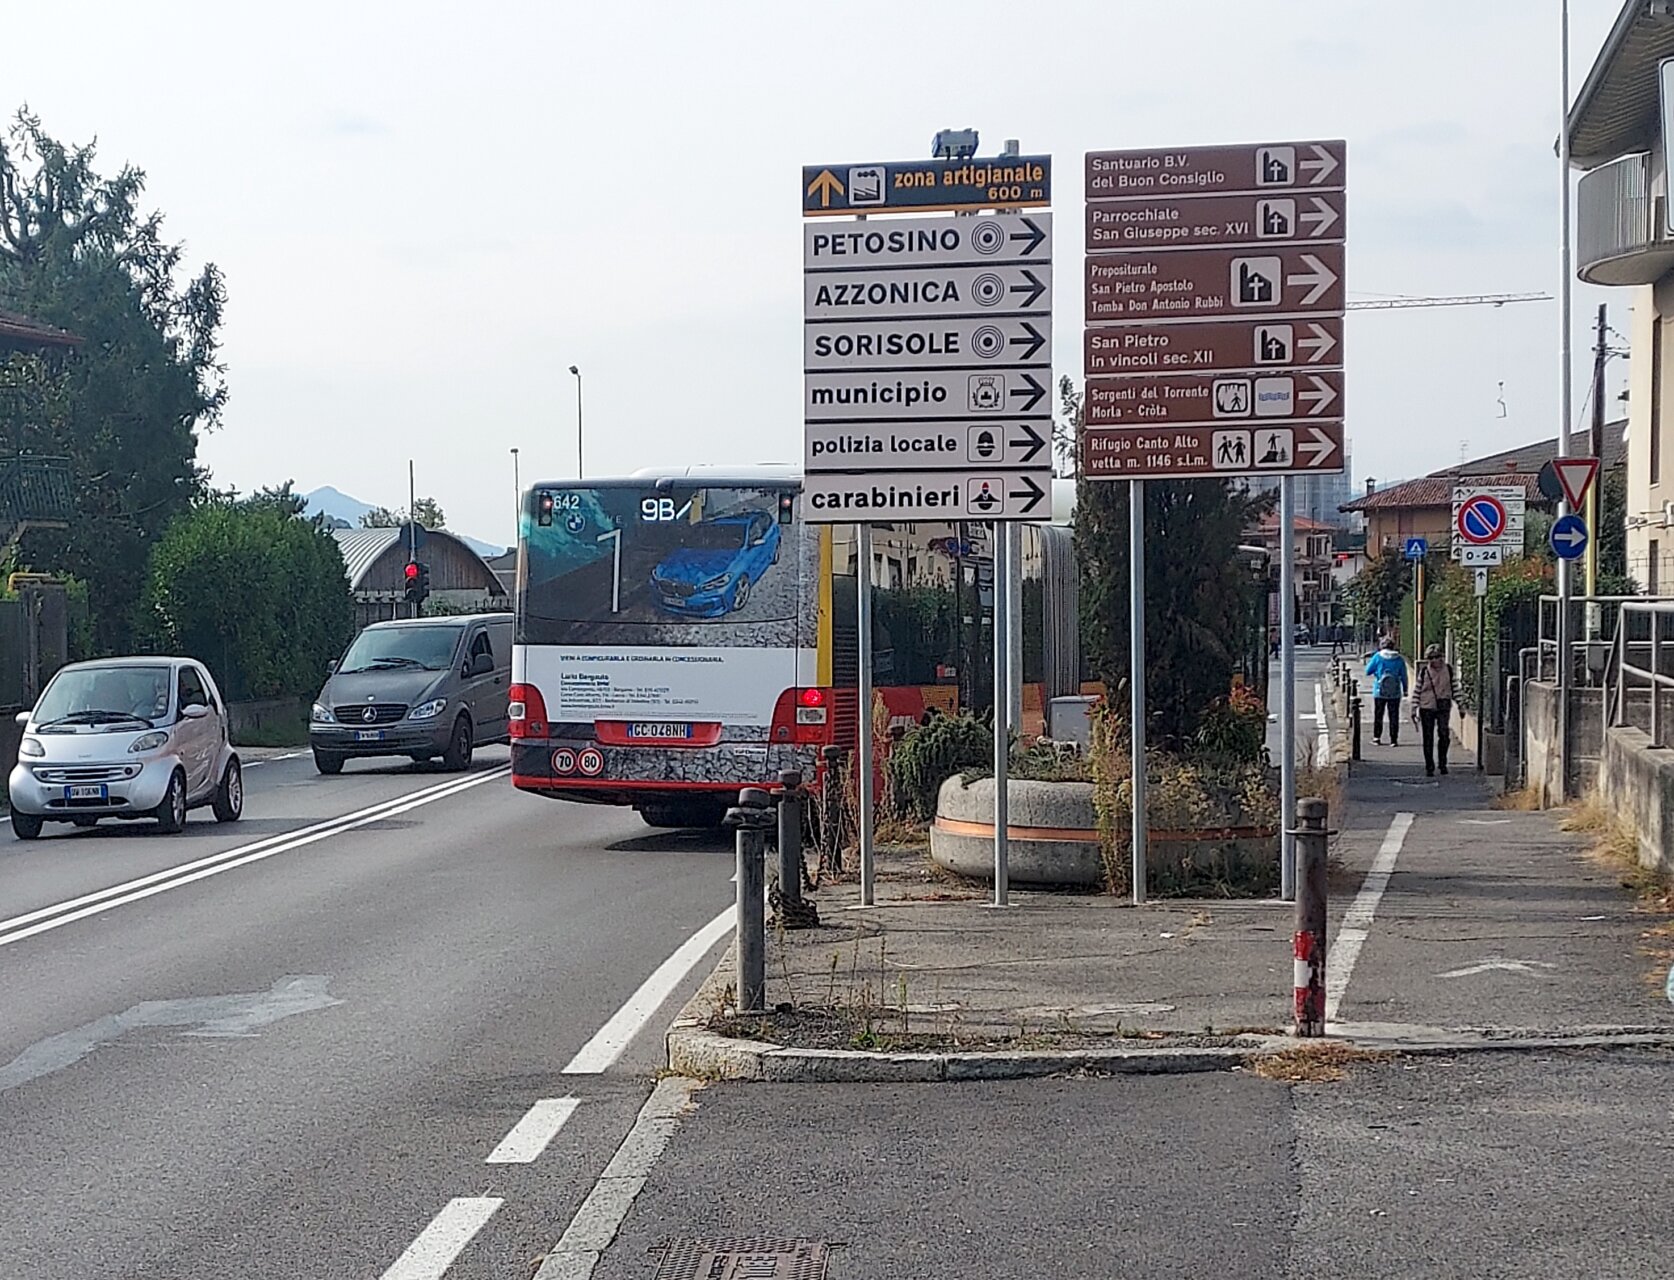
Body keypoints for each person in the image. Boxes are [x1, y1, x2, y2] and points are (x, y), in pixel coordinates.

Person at [1412, 643, 1456, 776]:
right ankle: (1429, 766)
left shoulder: (1448, 669)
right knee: (1428, 737)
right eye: (1430, 658)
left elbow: (1455, 687)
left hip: (1443, 704)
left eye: (1436, 657)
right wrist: (1414, 708)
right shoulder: (1425, 671)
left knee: (1444, 734)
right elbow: (1417, 690)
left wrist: (1461, 705)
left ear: (1442, 656)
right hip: (1426, 706)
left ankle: (1443, 763)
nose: (1433, 660)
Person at [1365, 635, 1408, 746]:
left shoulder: (1378, 657)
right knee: (1394, 715)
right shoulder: (1399, 659)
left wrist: (1377, 673)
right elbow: (1404, 675)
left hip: (1379, 691)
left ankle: (1376, 737)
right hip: (1395, 692)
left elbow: (1367, 671)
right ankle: (1393, 739)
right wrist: (1406, 689)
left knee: (1378, 714)